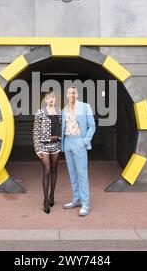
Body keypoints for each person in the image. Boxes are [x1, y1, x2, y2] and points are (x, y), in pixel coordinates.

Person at [61, 86, 96, 217]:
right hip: (67, 143)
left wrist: (84, 141)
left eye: (74, 93)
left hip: (79, 142)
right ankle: (76, 200)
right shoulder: (64, 110)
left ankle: (85, 204)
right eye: (69, 93)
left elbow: (92, 125)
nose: (72, 95)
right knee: (72, 173)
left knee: (82, 174)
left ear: (77, 94)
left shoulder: (85, 106)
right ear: (66, 95)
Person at [33, 91, 62, 214]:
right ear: (45, 100)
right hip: (44, 145)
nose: (51, 100)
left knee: (55, 169)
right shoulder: (39, 113)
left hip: (56, 144)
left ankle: (52, 196)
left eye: (53, 98)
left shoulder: (59, 112)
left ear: (55, 100)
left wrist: (59, 138)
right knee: (47, 169)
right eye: (48, 98)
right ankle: (45, 200)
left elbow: (62, 128)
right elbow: (35, 131)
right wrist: (37, 148)